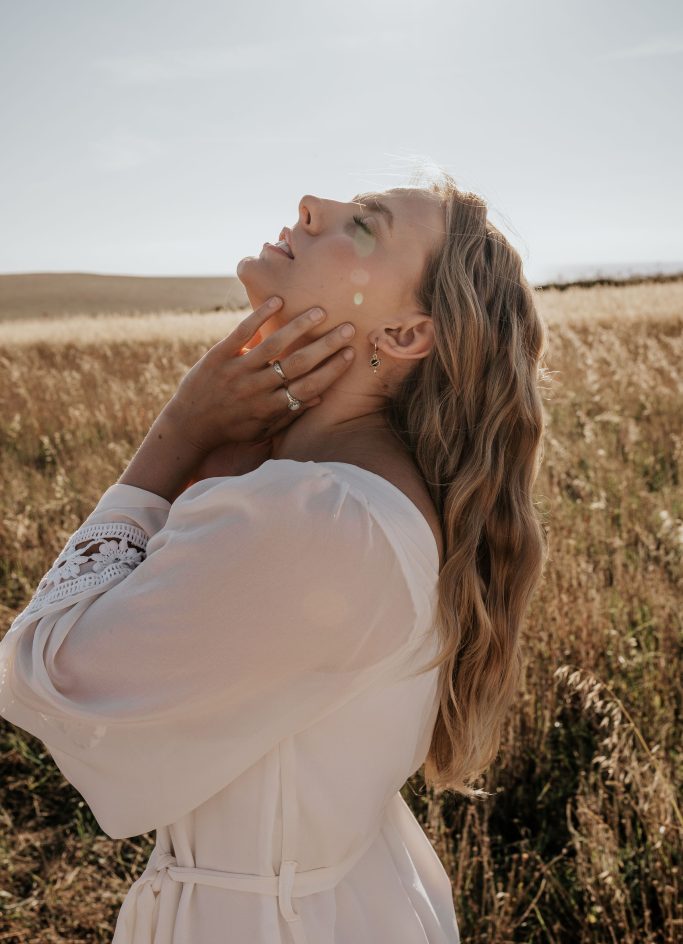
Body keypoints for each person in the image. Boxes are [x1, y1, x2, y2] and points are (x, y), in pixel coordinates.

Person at [0, 169, 548, 944]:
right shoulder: (339, 495)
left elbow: (43, 676)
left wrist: (178, 433)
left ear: (402, 336)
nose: (312, 205)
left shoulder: (317, 520)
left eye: (366, 226)